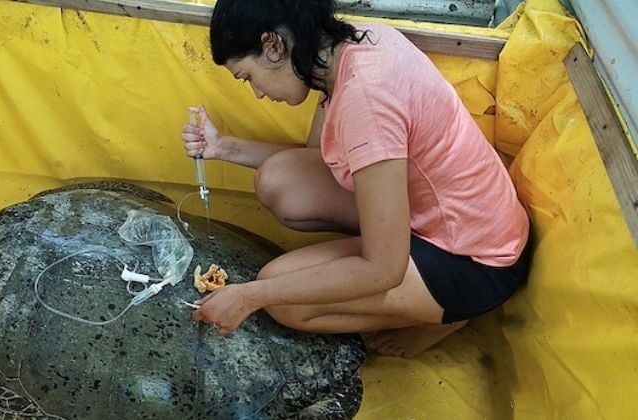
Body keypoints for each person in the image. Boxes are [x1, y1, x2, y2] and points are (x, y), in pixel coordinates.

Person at [181, 0, 531, 358]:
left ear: (273, 45)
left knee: (284, 301)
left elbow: (383, 270)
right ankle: (408, 276)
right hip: (454, 215)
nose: (256, 92)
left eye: (247, 76)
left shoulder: (367, 101)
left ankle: (444, 317)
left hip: (475, 261)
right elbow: (316, 160)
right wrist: (221, 147)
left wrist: (248, 296)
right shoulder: (352, 46)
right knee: (282, 180)